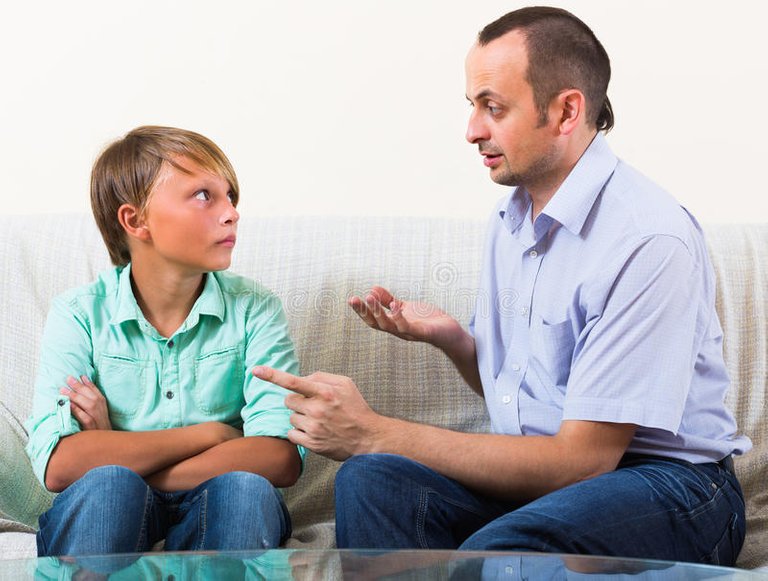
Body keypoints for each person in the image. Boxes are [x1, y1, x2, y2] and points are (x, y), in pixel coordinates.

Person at [254, 6, 751, 566]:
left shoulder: (646, 240)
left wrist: (372, 430)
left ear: (566, 110)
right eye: (472, 106)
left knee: (506, 547)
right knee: (372, 481)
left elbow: (582, 462)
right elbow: (522, 398)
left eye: (493, 107)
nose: (472, 131)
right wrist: (457, 342)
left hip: (669, 488)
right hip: (553, 478)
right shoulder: (510, 220)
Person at [26, 126, 304, 557]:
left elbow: (279, 457)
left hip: (221, 497)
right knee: (110, 487)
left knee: (245, 491)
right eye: (203, 195)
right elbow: (61, 465)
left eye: (230, 196)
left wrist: (115, 448)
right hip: (113, 501)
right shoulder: (79, 314)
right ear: (136, 220)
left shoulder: (255, 309)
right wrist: (214, 433)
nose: (231, 213)